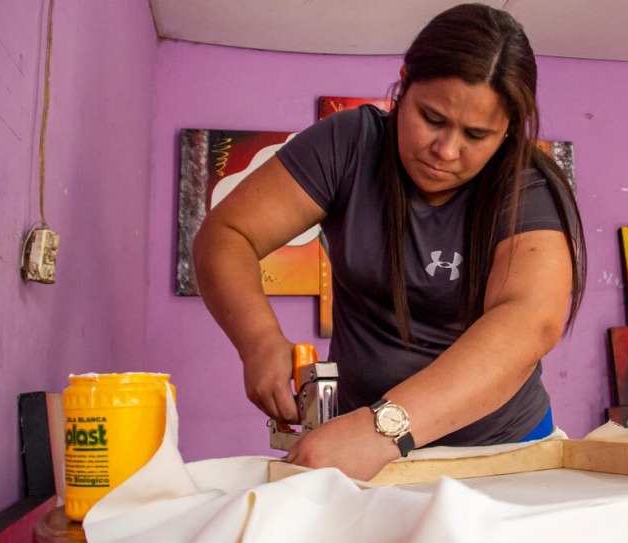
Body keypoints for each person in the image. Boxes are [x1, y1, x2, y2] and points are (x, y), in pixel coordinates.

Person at [192, 3, 587, 482]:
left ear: (508, 129)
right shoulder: (348, 145)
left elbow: (528, 322)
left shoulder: (527, 188)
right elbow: (226, 235)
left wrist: (383, 429)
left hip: (502, 454)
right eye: (431, 117)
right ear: (403, 84)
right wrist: (257, 342)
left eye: (477, 135)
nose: (445, 151)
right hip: (363, 448)